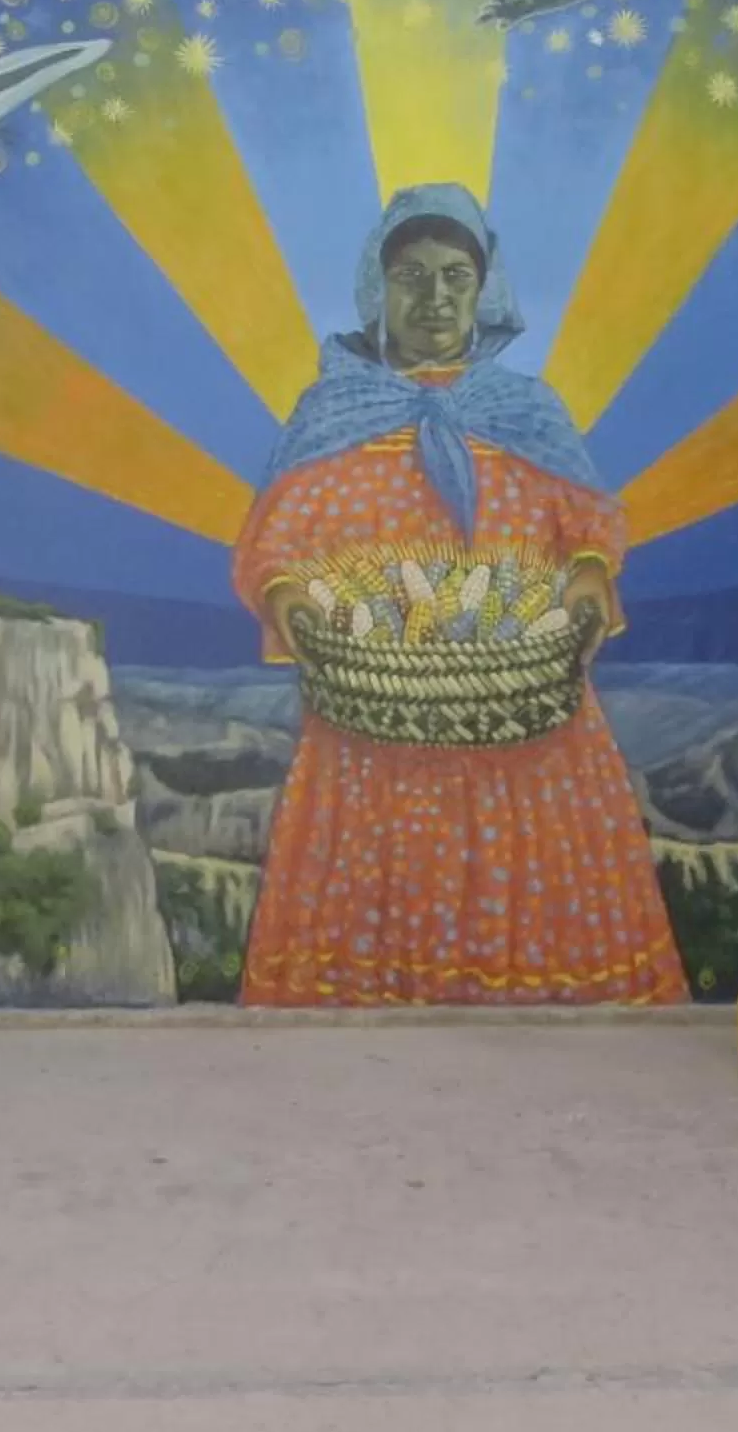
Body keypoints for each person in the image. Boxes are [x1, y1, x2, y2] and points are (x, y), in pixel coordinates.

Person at [231, 183, 686, 1006]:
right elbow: (275, 547)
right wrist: (295, 603)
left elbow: (588, 530)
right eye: (410, 275)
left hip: (527, 727)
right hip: (370, 731)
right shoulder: (331, 414)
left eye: (455, 277)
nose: (434, 298)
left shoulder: (527, 412)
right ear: (378, 287)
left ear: (485, 290)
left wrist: (585, 582)